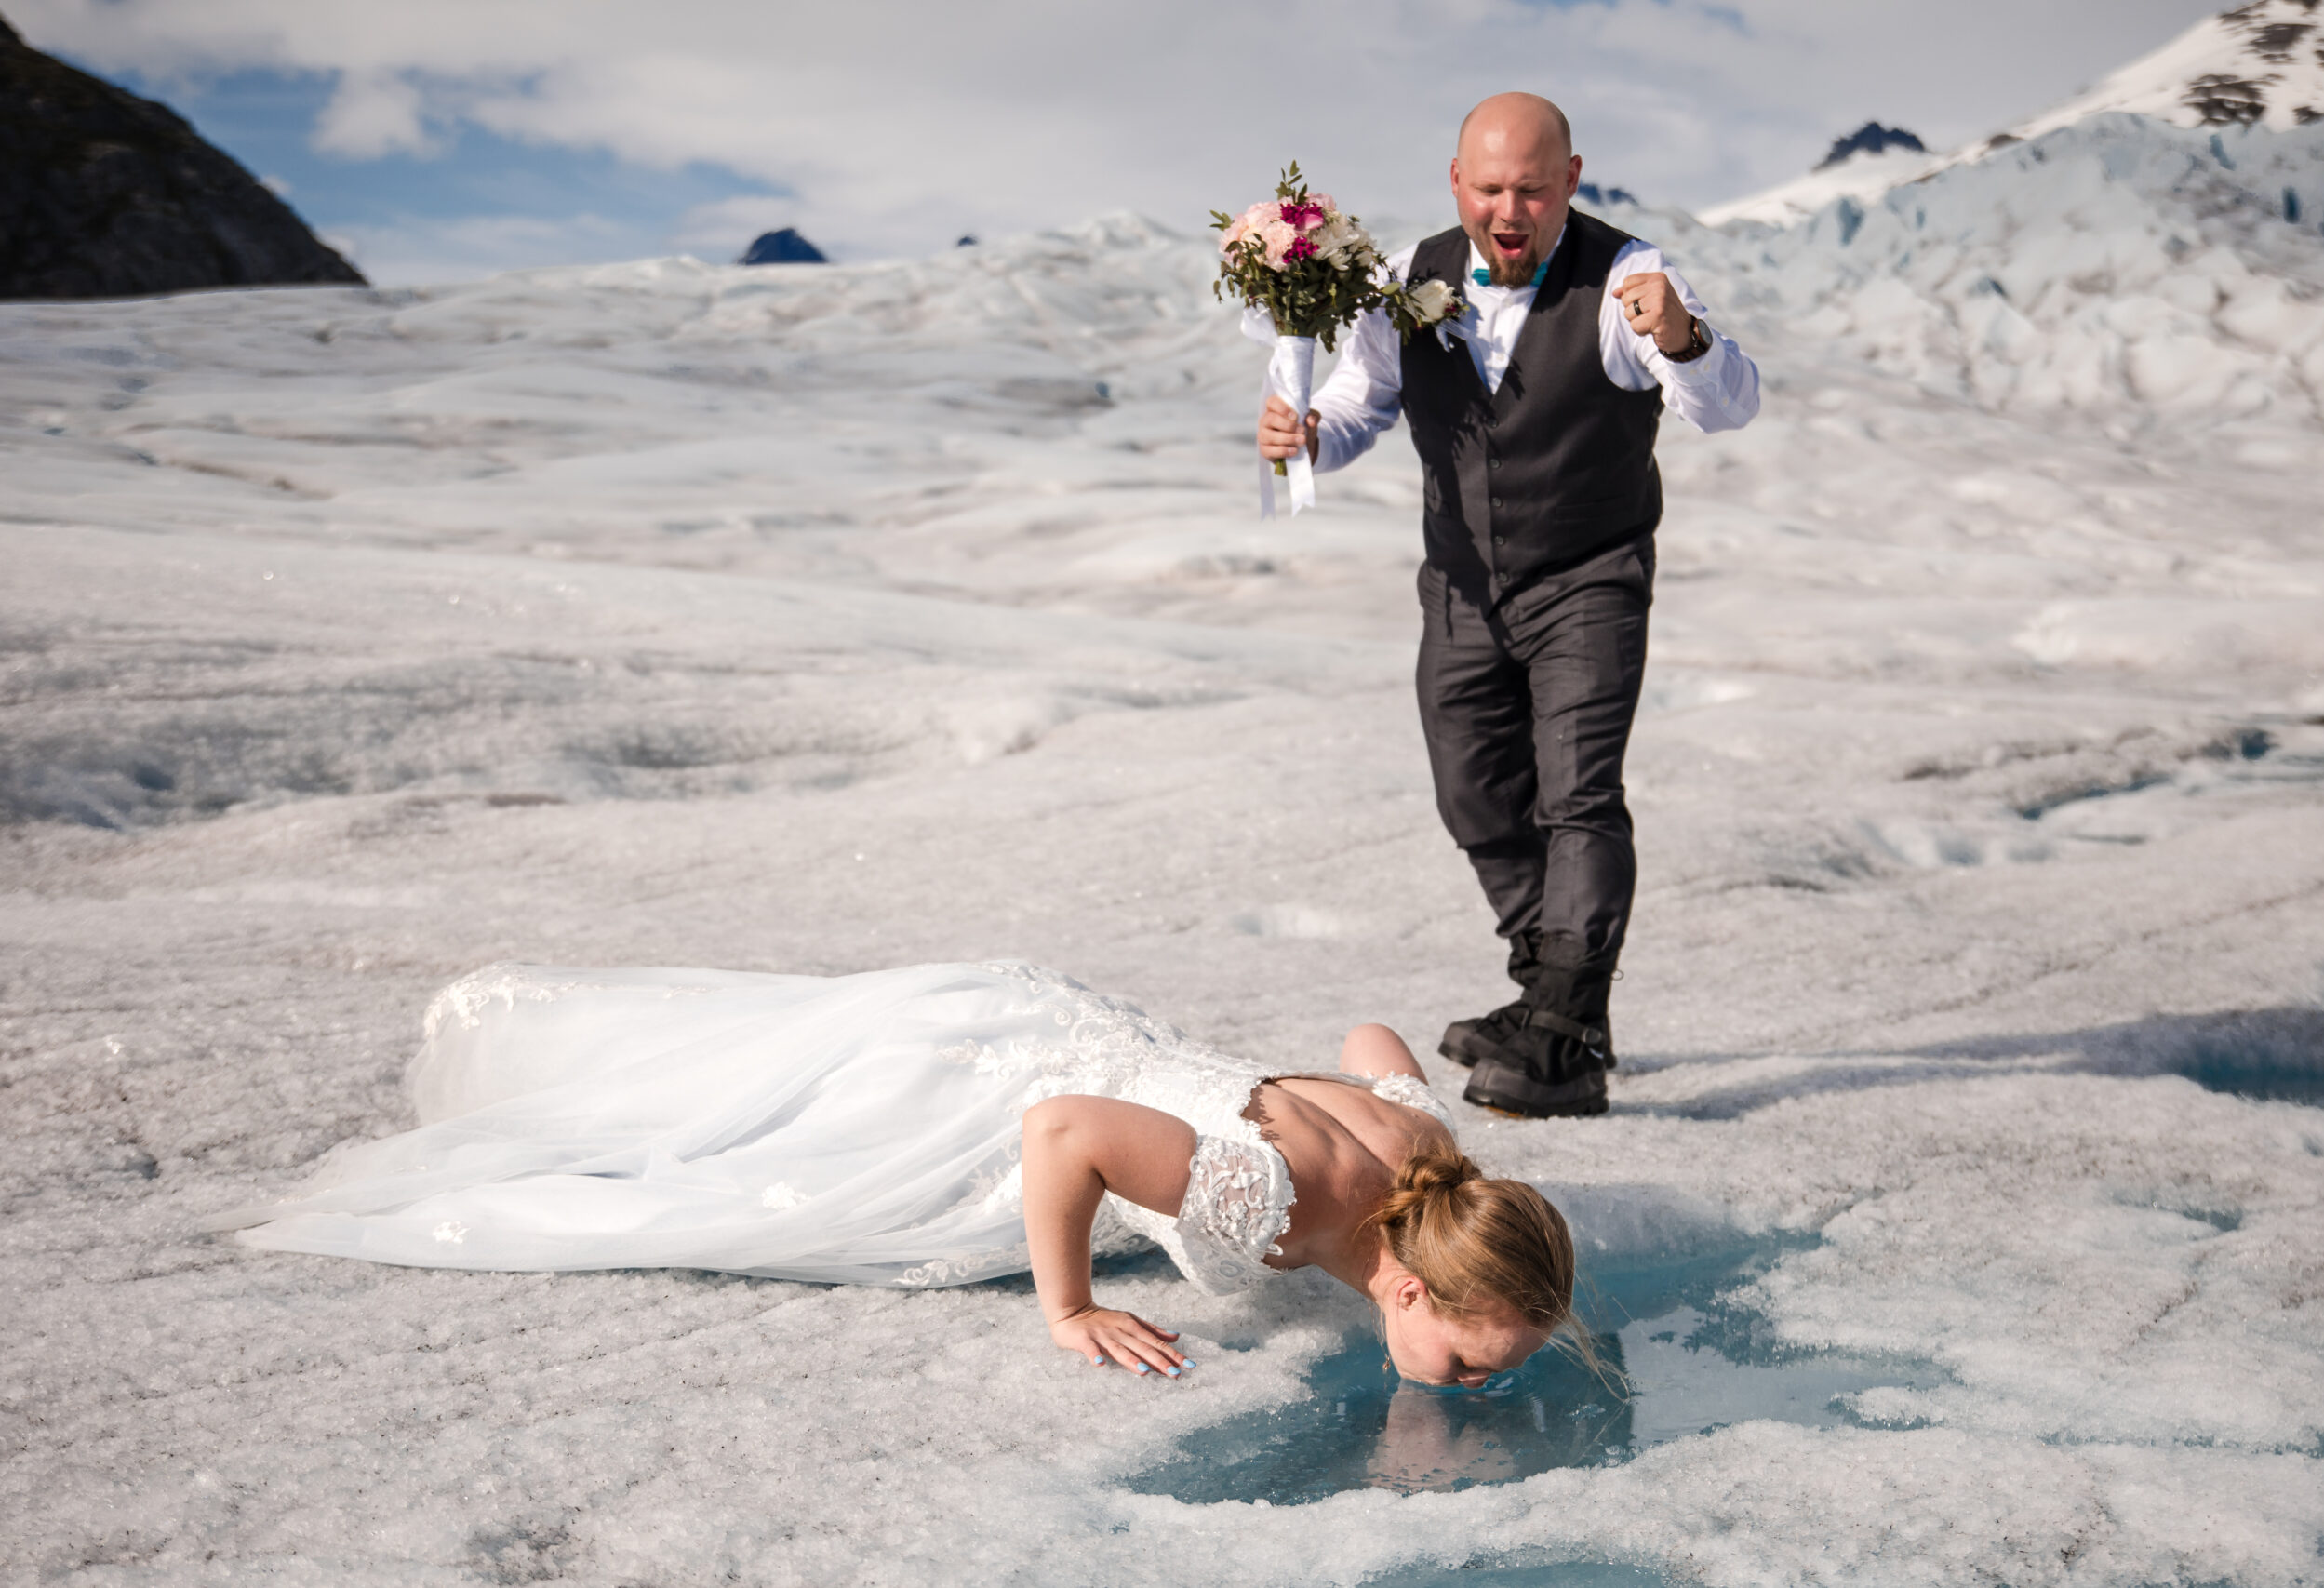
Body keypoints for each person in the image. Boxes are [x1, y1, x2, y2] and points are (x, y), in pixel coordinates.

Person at [213, 960, 1583, 1386]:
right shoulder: (1265, 1199)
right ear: (1401, 1281)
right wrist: (1067, 1305)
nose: (1475, 1379)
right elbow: (1063, 1131)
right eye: (1468, 1358)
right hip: (980, 1092)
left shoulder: (1425, 1147)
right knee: (731, 1170)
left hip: (1079, 1021)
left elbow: (1374, 1040)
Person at [1258, 93, 1761, 1119]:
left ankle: (1564, 1039)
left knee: (1575, 795)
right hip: (1459, 585)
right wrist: (1311, 435)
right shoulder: (1408, 275)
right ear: (1456, 184)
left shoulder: (1628, 276)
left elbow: (1727, 407)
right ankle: (1549, 989)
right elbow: (1365, 401)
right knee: (1474, 794)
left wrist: (1685, 335)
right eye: (1489, 188)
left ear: (1571, 181)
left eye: (1532, 188)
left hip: (1589, 576)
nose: (1509, 209)